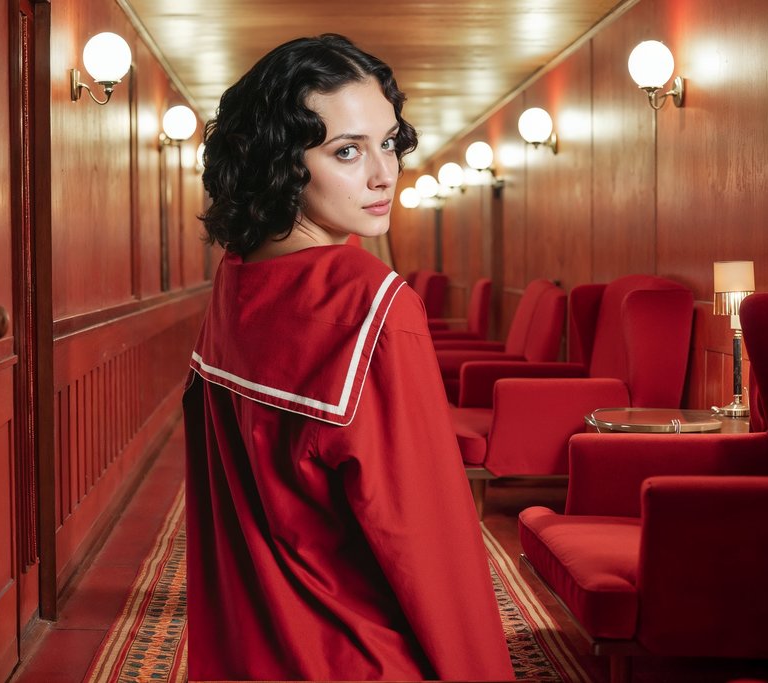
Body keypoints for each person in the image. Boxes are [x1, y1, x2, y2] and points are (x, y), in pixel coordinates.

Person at [184, 33, 515, 682]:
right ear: (280, 162)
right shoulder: (371, 301)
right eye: (346, 150)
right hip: (359, 658)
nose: (384, 173)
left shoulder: (237, 278)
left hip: (252, 651)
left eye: (388, 142)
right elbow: (428, 538)